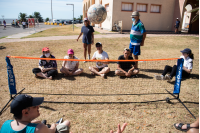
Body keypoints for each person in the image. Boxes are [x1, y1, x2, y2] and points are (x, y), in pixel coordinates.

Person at [0, 94, 71, 133]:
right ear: (25, 112)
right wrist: (54, 125)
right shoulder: (39, 129)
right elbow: (52, 130)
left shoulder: (6, 124)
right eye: (34, 106)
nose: (38, 106)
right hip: (46, 130)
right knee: (66, 123)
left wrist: (38, 123)